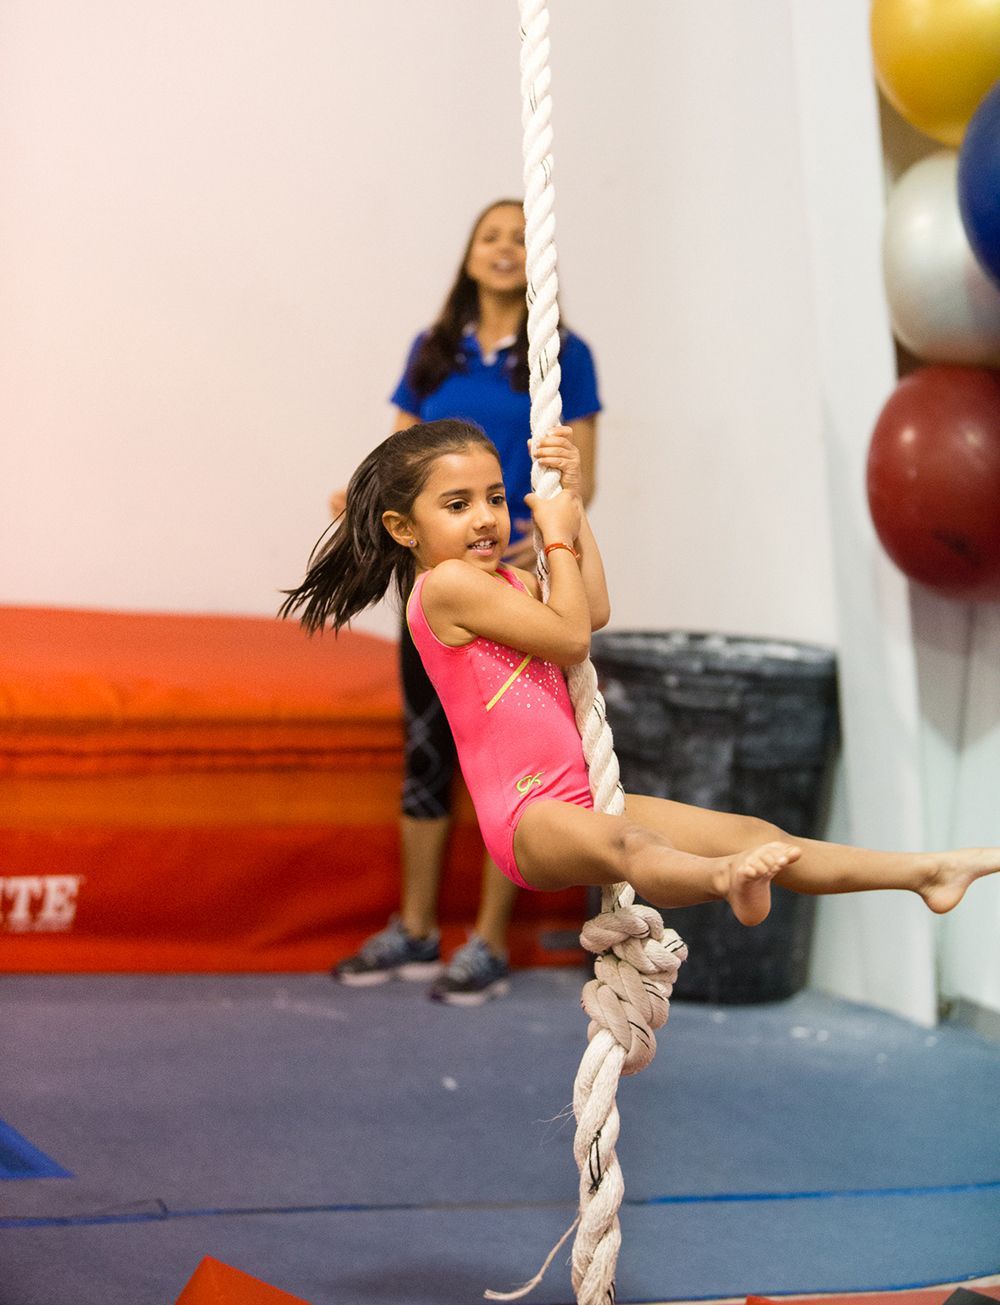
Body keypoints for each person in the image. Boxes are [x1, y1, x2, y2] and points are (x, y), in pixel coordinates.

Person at [282, 419, 1000, 932]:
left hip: (588, 791)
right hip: (530, 814)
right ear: (405, 529)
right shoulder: (443, 588)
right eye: (458, 504)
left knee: (750, 829)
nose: (487, 518)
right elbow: (568, 638)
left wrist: (573, 505)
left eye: (496, 498)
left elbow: (589, 608)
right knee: (635, 849)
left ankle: (925, 872)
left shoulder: (500, 579)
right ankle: (725, 883)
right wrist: (557, 531)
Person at [327, 199, 600, 1005]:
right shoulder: (435, 347)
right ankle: (413, 927)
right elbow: (398, 454)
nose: (506, 248)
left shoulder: (563, 356)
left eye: (521, 237)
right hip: (442, 588)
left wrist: (525, 545)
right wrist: (366, 501)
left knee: (516, 766)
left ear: (539, 258)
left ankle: (486, 940)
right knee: (427, 754)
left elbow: (581, 475)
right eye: (492, 236)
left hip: (512, 586)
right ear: (470, 253)